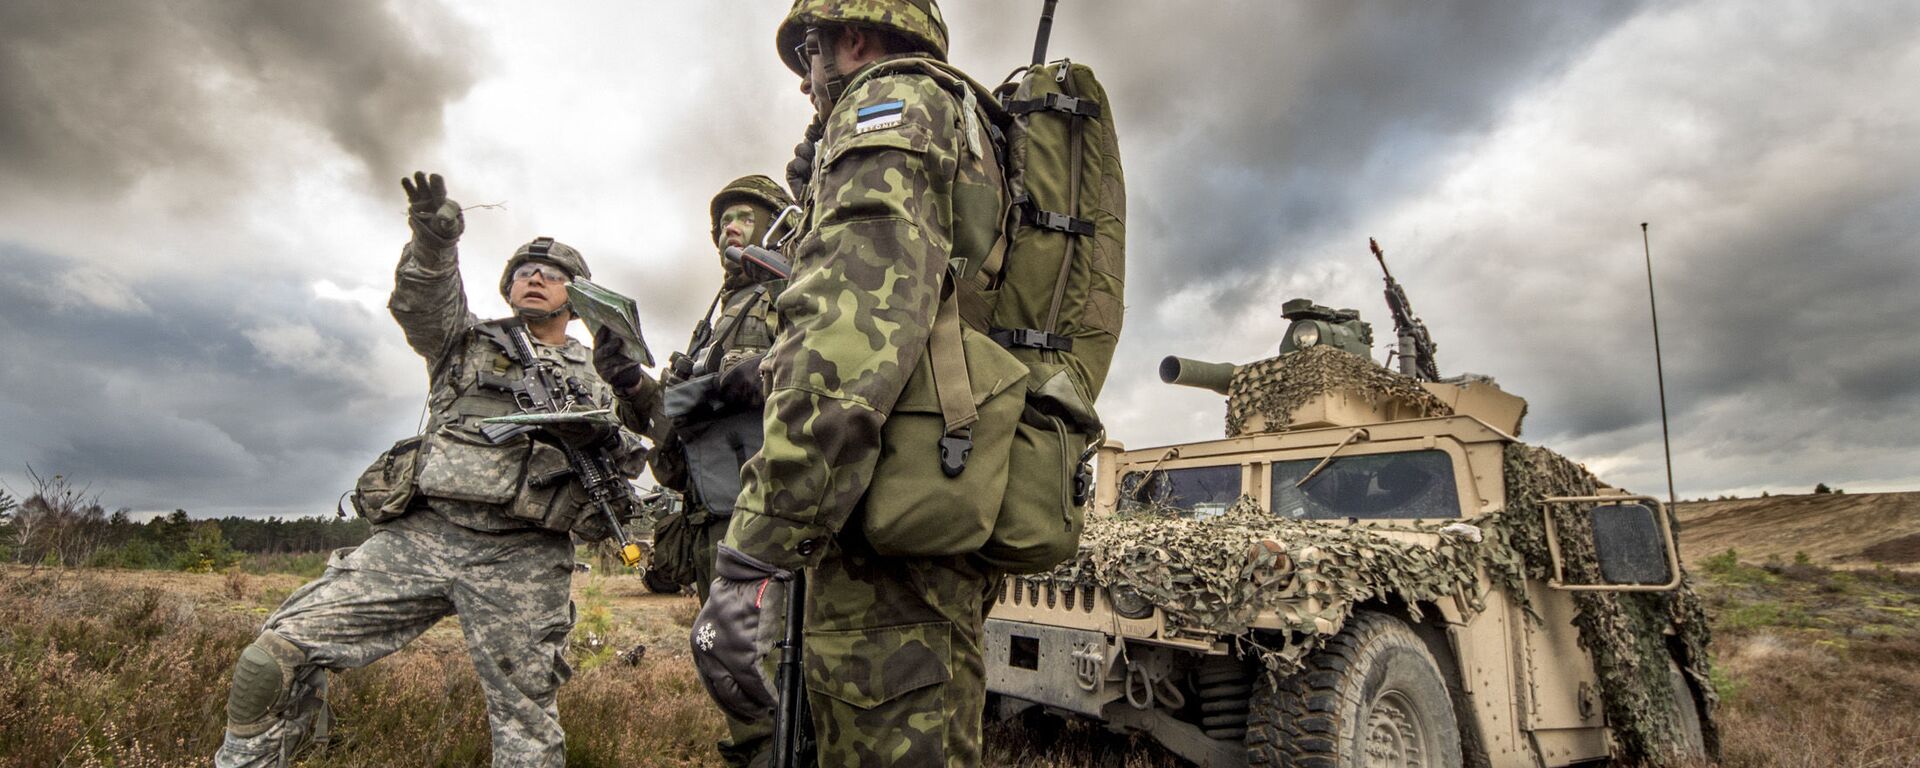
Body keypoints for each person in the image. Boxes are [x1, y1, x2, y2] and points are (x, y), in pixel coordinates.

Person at [214, 172, 653, 768]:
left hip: (525, 554)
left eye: (552, 275)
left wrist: (600, 428)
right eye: (523, 271)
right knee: (270, 659)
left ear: (577, 299)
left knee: (528, 728)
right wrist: (432, 241)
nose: (535, 278)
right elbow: (421, 300)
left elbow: (637, 451)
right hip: (424, 534)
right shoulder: (462, 340)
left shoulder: (604, 366)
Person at [691, 2, 1013, 765]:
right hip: (924, 499)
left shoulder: (889, 104)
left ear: (851, 40)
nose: (808, 87)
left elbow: (846, 348)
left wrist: (752, 558)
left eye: (809, 59)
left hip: (884, 544)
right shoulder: (964, 128)